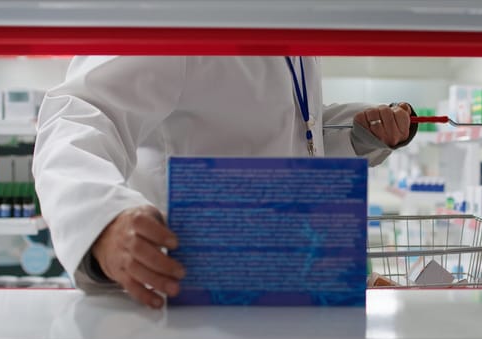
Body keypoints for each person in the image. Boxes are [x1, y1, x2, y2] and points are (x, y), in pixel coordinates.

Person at [33, 56, 418, 308]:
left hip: (281, 287)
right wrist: (101, 221)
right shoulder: (178, 14)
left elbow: (288, 132)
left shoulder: (292, 31)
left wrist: (354, 133)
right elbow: (80, 114)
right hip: (186, 295)